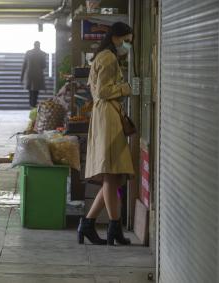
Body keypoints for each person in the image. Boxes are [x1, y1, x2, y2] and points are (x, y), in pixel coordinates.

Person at [78, 22, 135, 245]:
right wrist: (125, 88)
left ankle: (89, 224)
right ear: (117, 37)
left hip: (105, 115)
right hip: (108, 117)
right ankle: (114, 228)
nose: (127, 44)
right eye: (126, 40)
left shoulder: (102, 55)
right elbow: (102, 91)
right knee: (112, 173)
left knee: (112, 177)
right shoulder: (109, 58)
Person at [21, 41, 47, 108]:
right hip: (38, 74)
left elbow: (24, 65)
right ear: (39, 45)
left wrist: (22, 76)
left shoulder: (28, 53)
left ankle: (31, 104)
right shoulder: (42, 53)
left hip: (30, 74)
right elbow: (44, 66)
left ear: (34, 45)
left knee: (31, 91)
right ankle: (33, 104)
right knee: (36, 91)